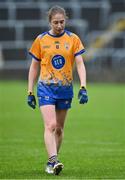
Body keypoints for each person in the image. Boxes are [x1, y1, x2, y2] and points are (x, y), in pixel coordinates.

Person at [27, 5, 88, 175]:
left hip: (65, 89)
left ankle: (51, 161)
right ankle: (55, 160)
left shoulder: (73, 39)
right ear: (50, 22)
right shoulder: (41, 40)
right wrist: (30, 91)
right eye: (56, 22)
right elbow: (33, 67)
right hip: (45, 88)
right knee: (51, 125)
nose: (59, 25)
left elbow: (80, 63)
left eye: (62, 22)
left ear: (65, 21)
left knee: (59, 128)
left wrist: (83, 87)